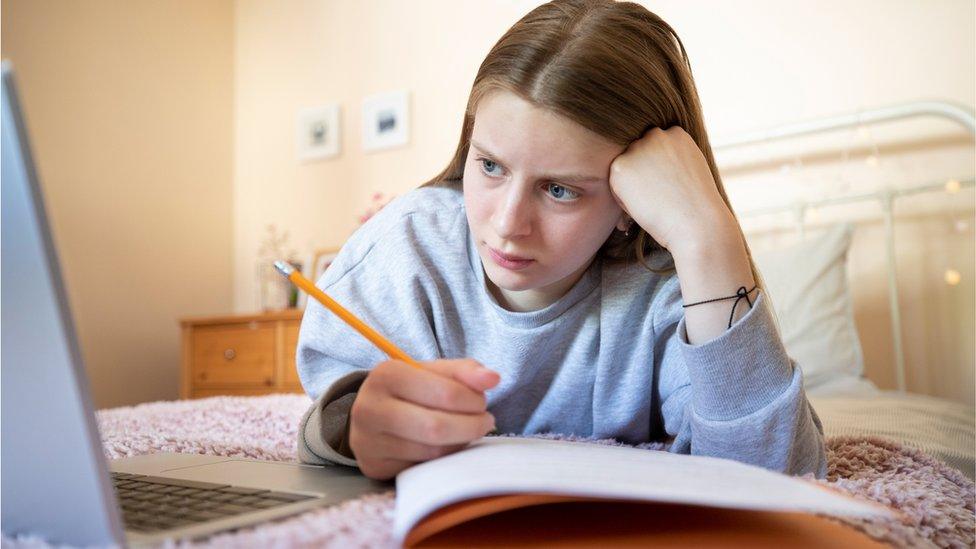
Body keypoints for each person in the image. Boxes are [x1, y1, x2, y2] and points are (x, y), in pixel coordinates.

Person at [295, 0, 827, 481]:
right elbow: (325, 420)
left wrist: (706, 237)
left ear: (630, 201)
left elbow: (773, 472)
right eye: (490, 165)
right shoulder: (404, 250)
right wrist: (352, 425)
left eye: (559, 190)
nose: (507, 224)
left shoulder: (668, 289)